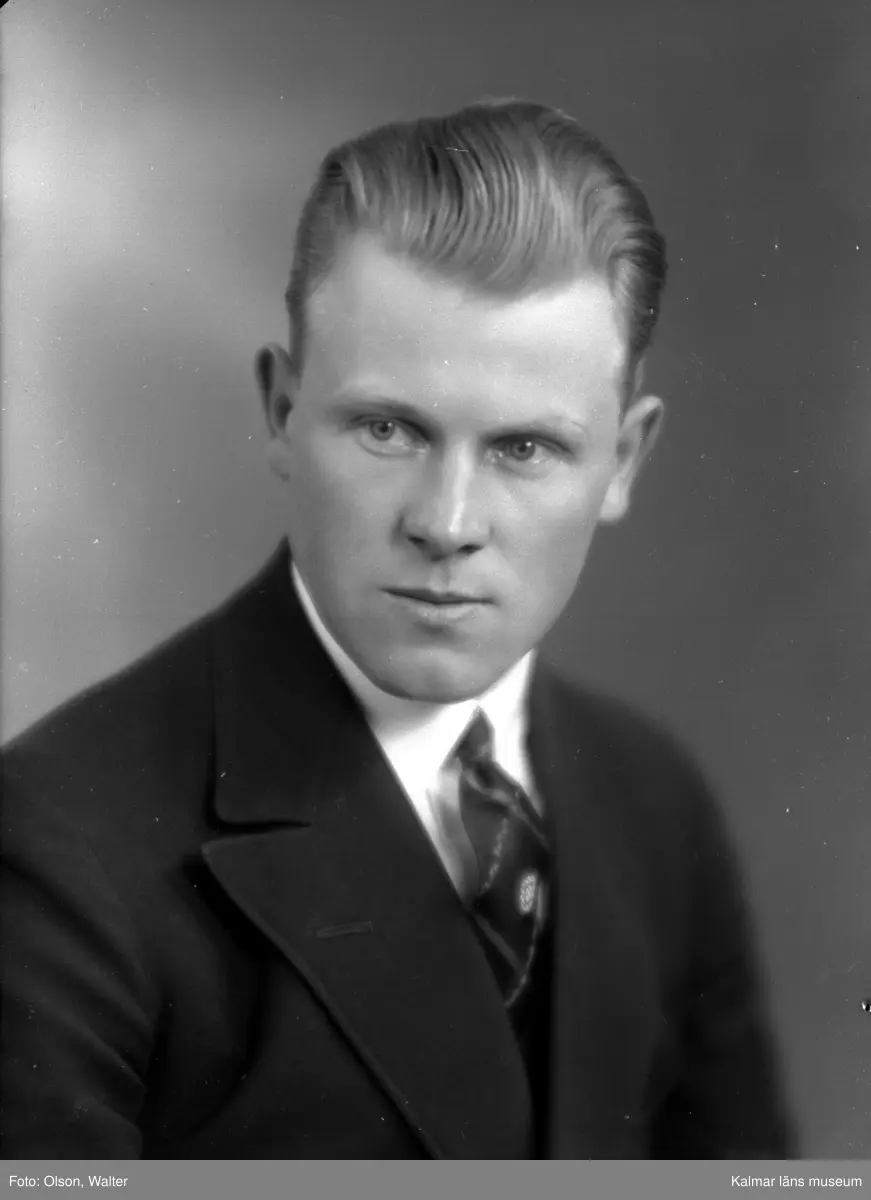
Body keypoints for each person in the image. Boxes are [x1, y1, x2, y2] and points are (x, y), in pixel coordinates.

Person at [1, 98, 796, 1160]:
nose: (446, 524)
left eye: (523, 449)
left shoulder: (651, 800)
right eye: (388, 429)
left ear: (624, 463)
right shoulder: (58, 844)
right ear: (282, 411)